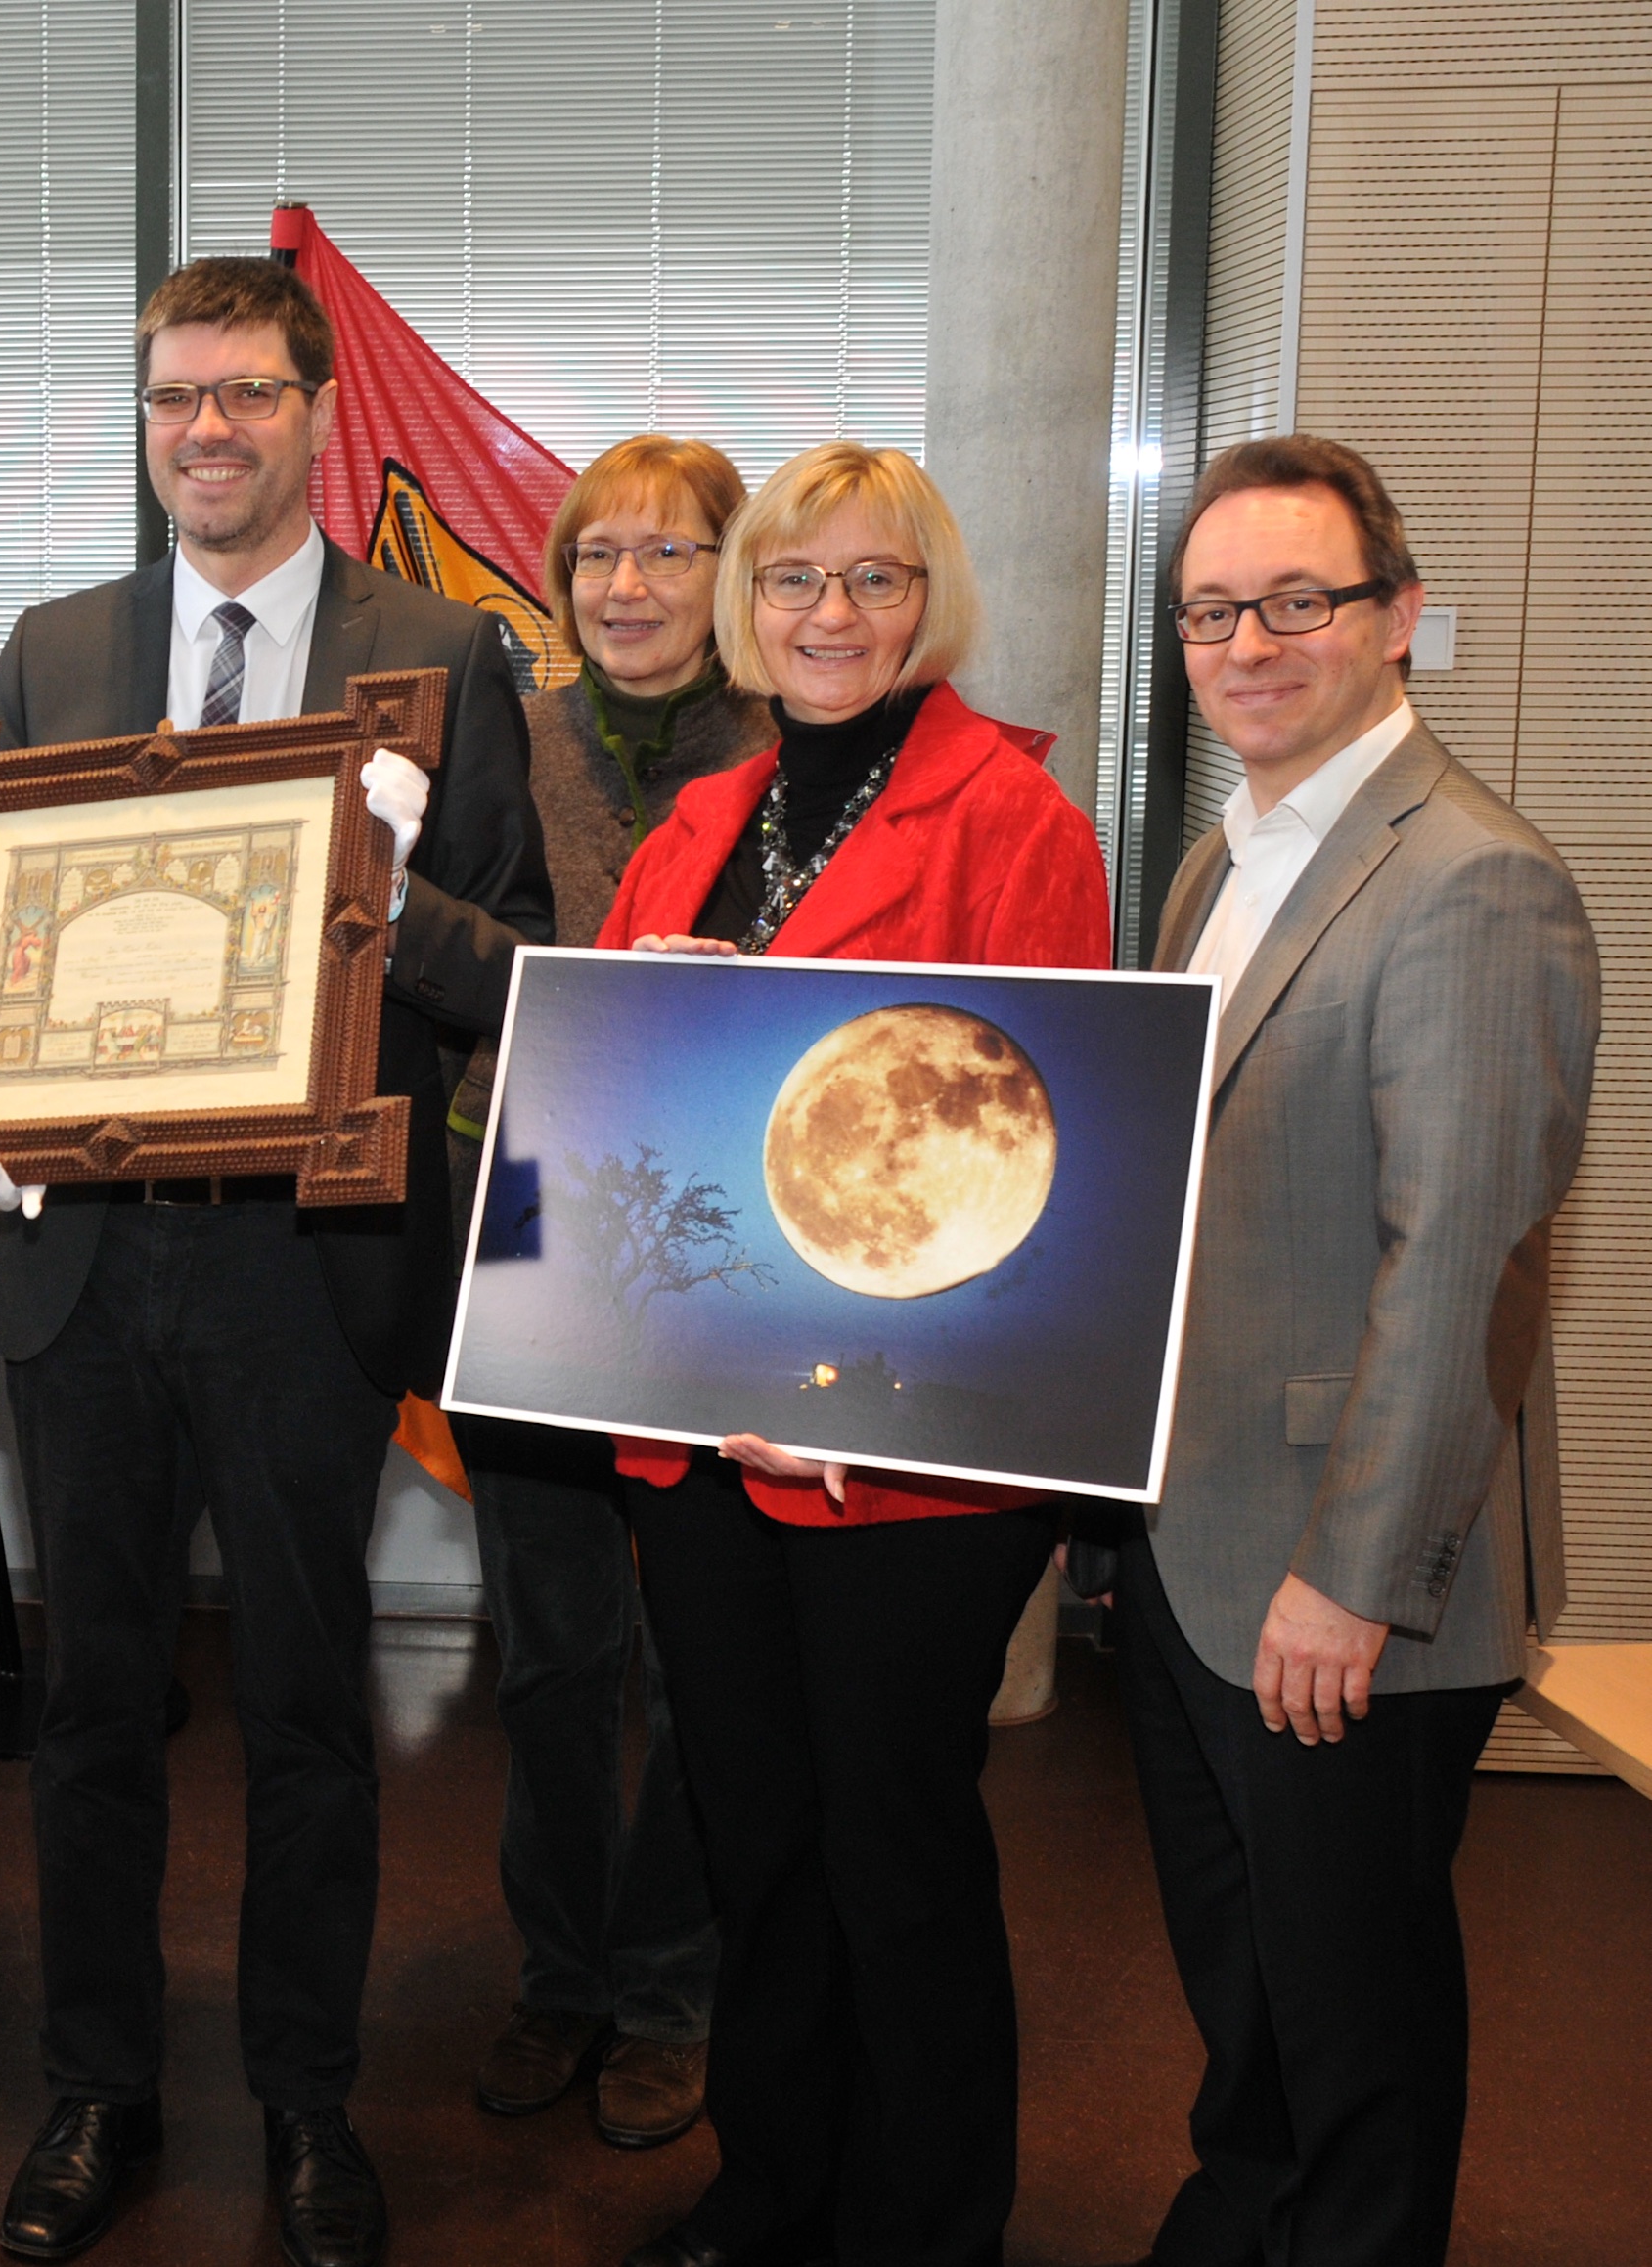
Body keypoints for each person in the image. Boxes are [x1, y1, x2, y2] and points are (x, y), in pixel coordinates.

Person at [0, 255, 551, 2267]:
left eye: (247, 397)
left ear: (315, 409)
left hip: (306, 1270)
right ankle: (97, 2090)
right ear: (146, 424)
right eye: (173, 398)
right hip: (85, 1274)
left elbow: (512, 974)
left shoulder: (439, 653)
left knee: (304, 1707)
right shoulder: (49, 648)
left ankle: (306, 2105)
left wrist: (384, 875)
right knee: (97, 1706)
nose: (208, 432)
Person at [597, 440, 1110, 2267]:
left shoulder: (1016, 824)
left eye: (875, 579)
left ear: (930, 599)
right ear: (750, 606)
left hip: (907, 1456)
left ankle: (926, 2216)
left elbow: (1031, 1170)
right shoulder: (696, 823)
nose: (833, 614)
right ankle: (776, 2178)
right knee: (759, 1841)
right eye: (798, 579)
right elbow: (619, 1136)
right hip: (703, 1449)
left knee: (896, 1850)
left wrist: (847, 1393)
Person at [1121, 437, 1594, 2267]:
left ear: (1396, 621)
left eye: (1300, 600)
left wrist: (1353, 1580)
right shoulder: (1219, 861)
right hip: (1191, 1539)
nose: (1253, 640)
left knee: (1359, 2018)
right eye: (1214, 609)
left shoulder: (1473, 879)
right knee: (1249, 1980)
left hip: (1337, 1578)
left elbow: (1462, 1261)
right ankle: (1243, 2216)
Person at [449, 434, 766, 2152]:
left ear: (733, 573)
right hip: (527, 1213)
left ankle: (668, 1986)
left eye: (670, 552)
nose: (629, 587)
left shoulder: (789, 750)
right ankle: (558, 1975)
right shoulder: (505, 739)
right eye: (596, 557)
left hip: (721, 1242)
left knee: (697, 1644)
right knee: (550, 1644)